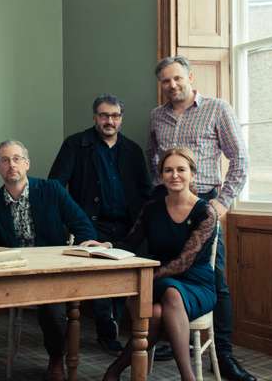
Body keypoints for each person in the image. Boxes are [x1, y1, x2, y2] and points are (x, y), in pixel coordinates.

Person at [148, 55, 254, 381]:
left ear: (191, 78)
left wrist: (221, 205)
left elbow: (240, 158)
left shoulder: (217, 109)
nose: (172, 85)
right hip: (168, 204)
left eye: (177, 78)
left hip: (205, 203)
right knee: (167, 267)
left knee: (215, 279)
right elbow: (154, 159)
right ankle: (170, 334)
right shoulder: (156, 116)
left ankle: (223, 356)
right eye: (165, 80)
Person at [0, 140, 97, 381]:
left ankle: (56, 359)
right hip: (9, 274)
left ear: (27, 163)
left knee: (53, 309)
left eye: (16, 159)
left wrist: (86, 245)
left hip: (47, 273)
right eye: (4, 160)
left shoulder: (52, 190)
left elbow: (82, 224)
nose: (11, 165)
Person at [95, 148, 218, 381]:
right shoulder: (152, 208)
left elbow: (183, 263)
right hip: (160, 281)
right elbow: (131, 243)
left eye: (181, 169)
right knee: (158, 308)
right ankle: (185, 377)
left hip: (195, 283)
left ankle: (117, 370)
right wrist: (107, 246)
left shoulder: (206, 212)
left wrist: (146, 280)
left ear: (192, 173)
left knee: (163, 305)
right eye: (168, 170)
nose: (174, 175)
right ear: (161, 175)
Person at [48, 93, 151, 355]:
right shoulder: (76, 145)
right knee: (103, 279)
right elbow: (56, 187)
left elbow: (145, 191)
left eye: (115, 116)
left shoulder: (132, 150)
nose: (109, 121)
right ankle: (107, 331)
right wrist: (74, 222)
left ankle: (112, 328)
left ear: (121, 119)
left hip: (128, 226)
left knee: (123, 280)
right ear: (95, 117)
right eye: (104, 115)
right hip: (91, 226)